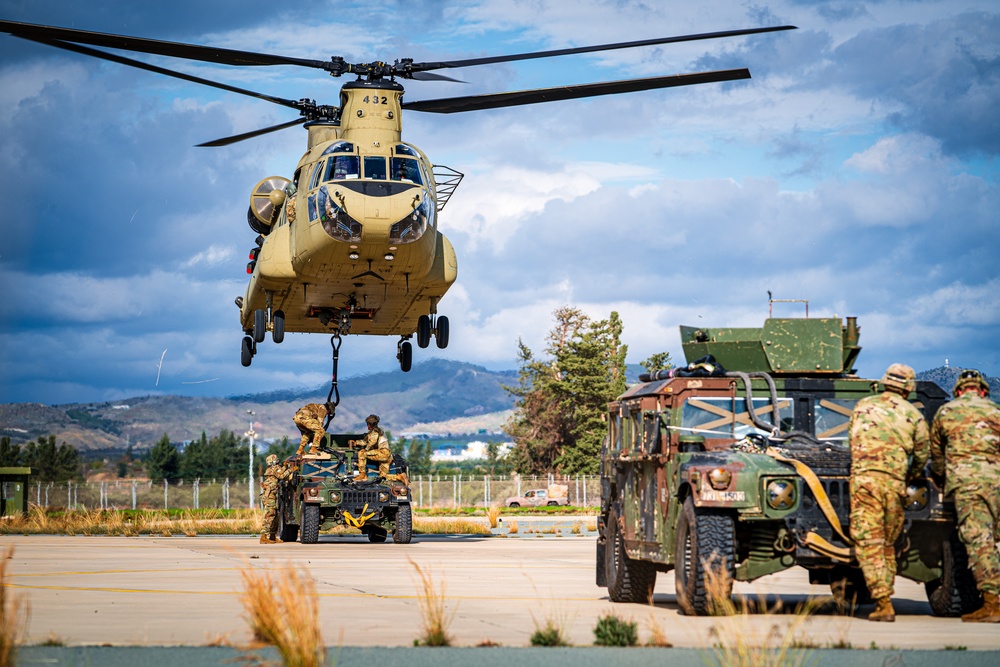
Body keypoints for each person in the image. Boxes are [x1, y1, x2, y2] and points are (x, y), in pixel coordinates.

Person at [848, 363, 929, 622]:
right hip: (895, 484)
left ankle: (883, 601)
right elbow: (922, 452)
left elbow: (852, 440)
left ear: (885, 382)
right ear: (908, 387)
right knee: (887, 542)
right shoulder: (913, 414)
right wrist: (912, 474)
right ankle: (885, 596)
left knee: (868, 540)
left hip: (865, 481)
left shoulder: (862, 406)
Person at [930, 369, 1000, 622]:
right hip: (996, 483)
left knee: (979, 542)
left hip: (968, 485)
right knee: (991, 540)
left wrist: (941, 478)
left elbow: (936, 456)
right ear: (983, 390)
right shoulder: (996, 411)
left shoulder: (947, 412)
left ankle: (993, 604)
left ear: (958, 391)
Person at [348, 414, 408, 485]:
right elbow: (365, 441)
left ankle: (362, 475)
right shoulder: (378, 432)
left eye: (368, 424)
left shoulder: (375, 433)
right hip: (387, 456)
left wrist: (366, 450)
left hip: (382, 453)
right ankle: (399, 477)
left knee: (362, 453)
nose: (367, 426)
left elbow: (371, 443)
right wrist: (356, 443)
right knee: (383, 477)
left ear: (371, 424)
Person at [259, 454, 297, 544]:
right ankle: (263, 536)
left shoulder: (273, 469)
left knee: (275, 516)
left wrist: (285, 467)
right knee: (269, 515)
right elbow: (281, 476)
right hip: (269, 495)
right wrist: (291, 469)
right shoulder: (272, 469)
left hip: (273, 494)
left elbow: (280, 472)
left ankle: (272, 536)